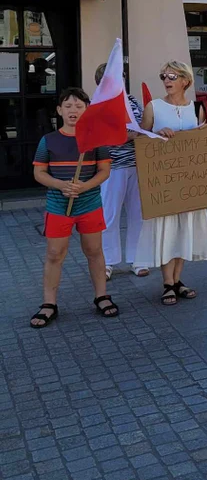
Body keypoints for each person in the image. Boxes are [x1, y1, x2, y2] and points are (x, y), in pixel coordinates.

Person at [30, 88, 117, 328]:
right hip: (58, 206)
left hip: (89, 204)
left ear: (87, 110)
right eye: (67, 106)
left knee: (94, 251)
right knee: (54, 254)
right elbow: (39, 172)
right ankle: (49, 304)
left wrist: (83, 186)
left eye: (79, 106)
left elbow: (104, 171)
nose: (73, 111)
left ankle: (101, 296)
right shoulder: (48, 140)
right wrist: (60, 184)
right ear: (59, 110)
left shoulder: (96, 138)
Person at [139, 61, 207, 306]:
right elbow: (140, 141)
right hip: (164, 182)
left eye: (172, 76)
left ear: (185, 81)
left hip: (190, 180)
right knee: (167, 231)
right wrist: (157, 136)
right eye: (164, 76)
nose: (167, 80)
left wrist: (206, 136)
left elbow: (203, 145)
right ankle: (167, 282)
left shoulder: (197, 108)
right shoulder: (153, 107)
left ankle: (178, 280)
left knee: (185, 230)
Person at [95, 63, 150, 279]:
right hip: (112, 167)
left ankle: (139, 259)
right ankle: (107, 262)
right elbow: (102, 135)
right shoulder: (98, 105)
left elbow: (144, 126)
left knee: (138, 214)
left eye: (121, 76)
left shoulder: (133, 102)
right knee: (109, 215)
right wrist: (127, 135)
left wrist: (139, 132)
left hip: (137, 165)